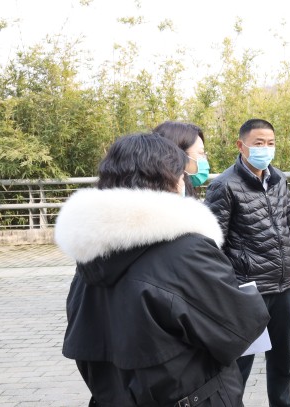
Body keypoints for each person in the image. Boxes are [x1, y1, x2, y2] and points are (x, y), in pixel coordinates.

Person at [54, 133, 270, 406]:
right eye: (181, 174)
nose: (184, 181)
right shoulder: (186, 251)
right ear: (168, 179)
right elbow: (239, 329)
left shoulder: (89, 256)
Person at [204, 118, 290, 407]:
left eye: (270, 143)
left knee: (282, 360)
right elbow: (213, 243)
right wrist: (227, 288)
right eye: (259, 143)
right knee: (240, 363)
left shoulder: (279, 179)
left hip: (283, 286)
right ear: (241, 146)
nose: (265, 149)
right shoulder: (224, 185)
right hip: (247, 291)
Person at [154, 120, 210, 198]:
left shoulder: (184, 191)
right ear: (178, 154)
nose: (204, 159)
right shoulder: (163, 199)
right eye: (201, 153)